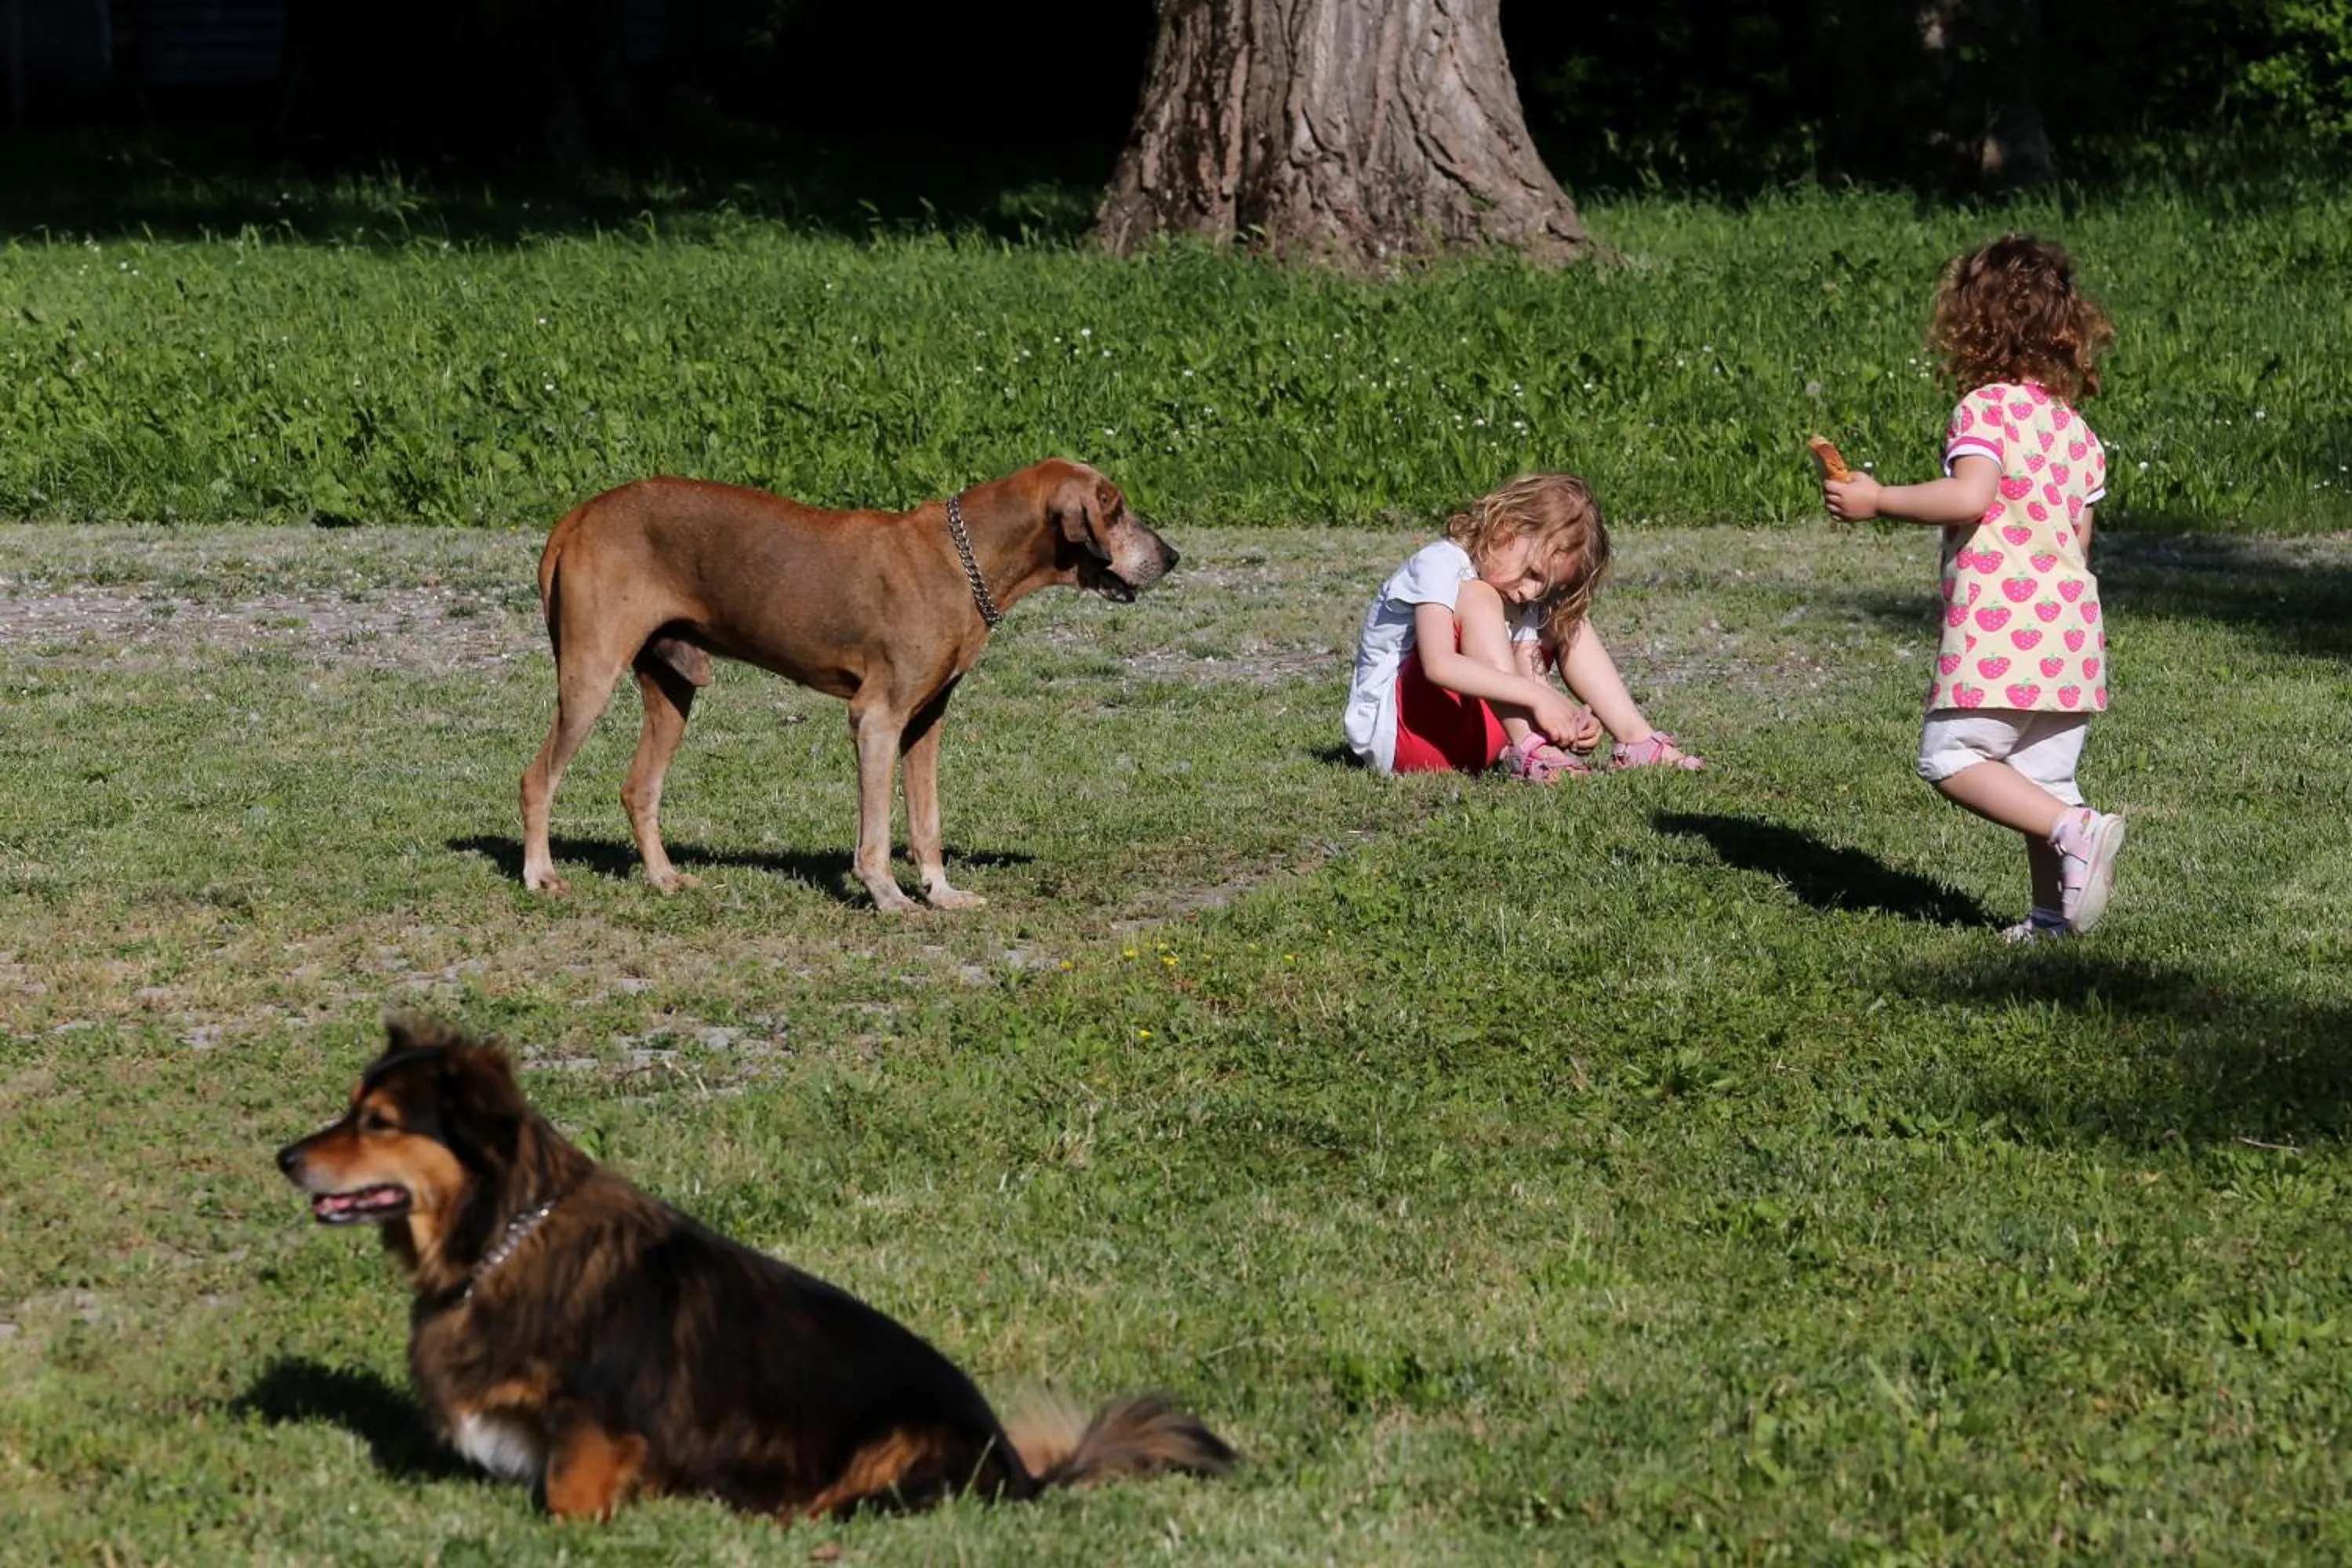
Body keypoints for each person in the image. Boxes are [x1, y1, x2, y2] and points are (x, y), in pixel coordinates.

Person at [1824, 234, 2122, 939]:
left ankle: (2073, 830)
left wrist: (1879, 499)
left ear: (1973, 324)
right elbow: (2079, 539)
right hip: (2071, 631)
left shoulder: (1985, 409)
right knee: (2043, 776)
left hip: (2001, 624)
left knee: (1951, 756)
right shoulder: (2077, 433)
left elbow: (1971, 495)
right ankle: (2052, 918)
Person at [1341, 472, 1704, 782]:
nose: (1529, 591)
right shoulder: (1439, 563)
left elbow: (1527, 668)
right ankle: (1527, 749)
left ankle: (1636, 740)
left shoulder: (1518, 594)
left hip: (1471, 739)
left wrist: (1564, 722)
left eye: (1542, 584)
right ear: (1506, 529)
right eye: (1532, 573)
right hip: (1405, 738)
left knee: (1564, 613)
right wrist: (1539, 698)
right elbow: (1439, 665)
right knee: (1480, 597)